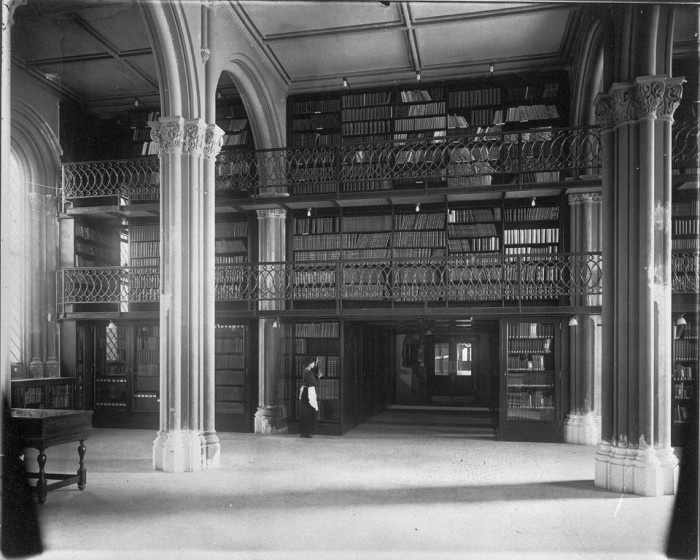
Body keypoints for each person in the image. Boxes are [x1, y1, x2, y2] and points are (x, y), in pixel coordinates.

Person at [299, 356, 321, 438]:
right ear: (309, 364)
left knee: (305, 412)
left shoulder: (305, 371)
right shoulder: (308, 372)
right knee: (309, 412)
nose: (314, 364)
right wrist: (318, 378)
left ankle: (304, 432)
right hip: (308, 393)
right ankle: (306, 432)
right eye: (313, 363)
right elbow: (315, 383)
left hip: (305, 392)